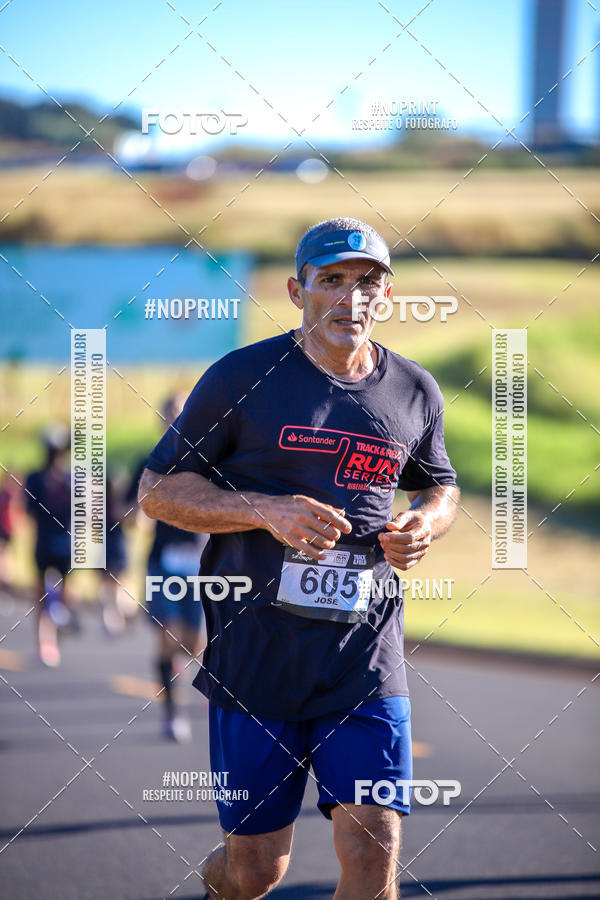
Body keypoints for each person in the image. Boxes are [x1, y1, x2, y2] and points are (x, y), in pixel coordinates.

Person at [138, 217, 459, 899]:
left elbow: (441, 483)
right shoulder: (240, 379)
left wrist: (425, 522)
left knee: (376, 840)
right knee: (256, 872)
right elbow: (159, 491)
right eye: (333, 281)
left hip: (364, 654)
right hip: (256, 651)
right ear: (296, 290)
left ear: (388, 294)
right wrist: (263, 510)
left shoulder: (414, 390)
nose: (352, 299)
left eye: (368, 282)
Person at [129, 396, 209, 743]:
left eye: (181, 413)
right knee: (168, 635)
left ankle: (180, 669)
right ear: (161, 419)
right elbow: (133, 508)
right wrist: (135, 515)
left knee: (196, 644)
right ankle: (173, 712)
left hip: (200, 562)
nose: (175, 420)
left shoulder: (208, 458)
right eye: (169, 414)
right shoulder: (150, 461)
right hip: (163, 560)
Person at [24, 425, 78, 667]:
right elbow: (29, 509)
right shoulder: (36, 478)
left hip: (65, 542)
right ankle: (43, 641)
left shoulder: (72, 477)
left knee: (64, 593)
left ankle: (57, 629)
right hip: (44, 542)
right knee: (41, 594)